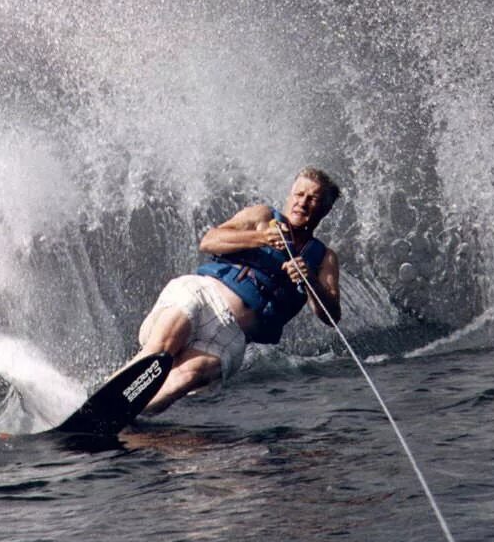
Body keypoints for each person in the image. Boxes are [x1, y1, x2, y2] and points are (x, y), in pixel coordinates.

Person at [133, 166, 342, 414]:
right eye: (299, 195)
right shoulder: (262, 216)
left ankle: (125, 416)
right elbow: (209, 241)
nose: (303, 203)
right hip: (202, 295)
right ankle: (106, 398)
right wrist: (261, 238)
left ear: (325, 209)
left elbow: (332, 316)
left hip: (232, 333)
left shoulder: (324, 258)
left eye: (313, 199)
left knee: (190, 375)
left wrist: (310, 281)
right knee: (161, 349)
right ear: (289, 196)